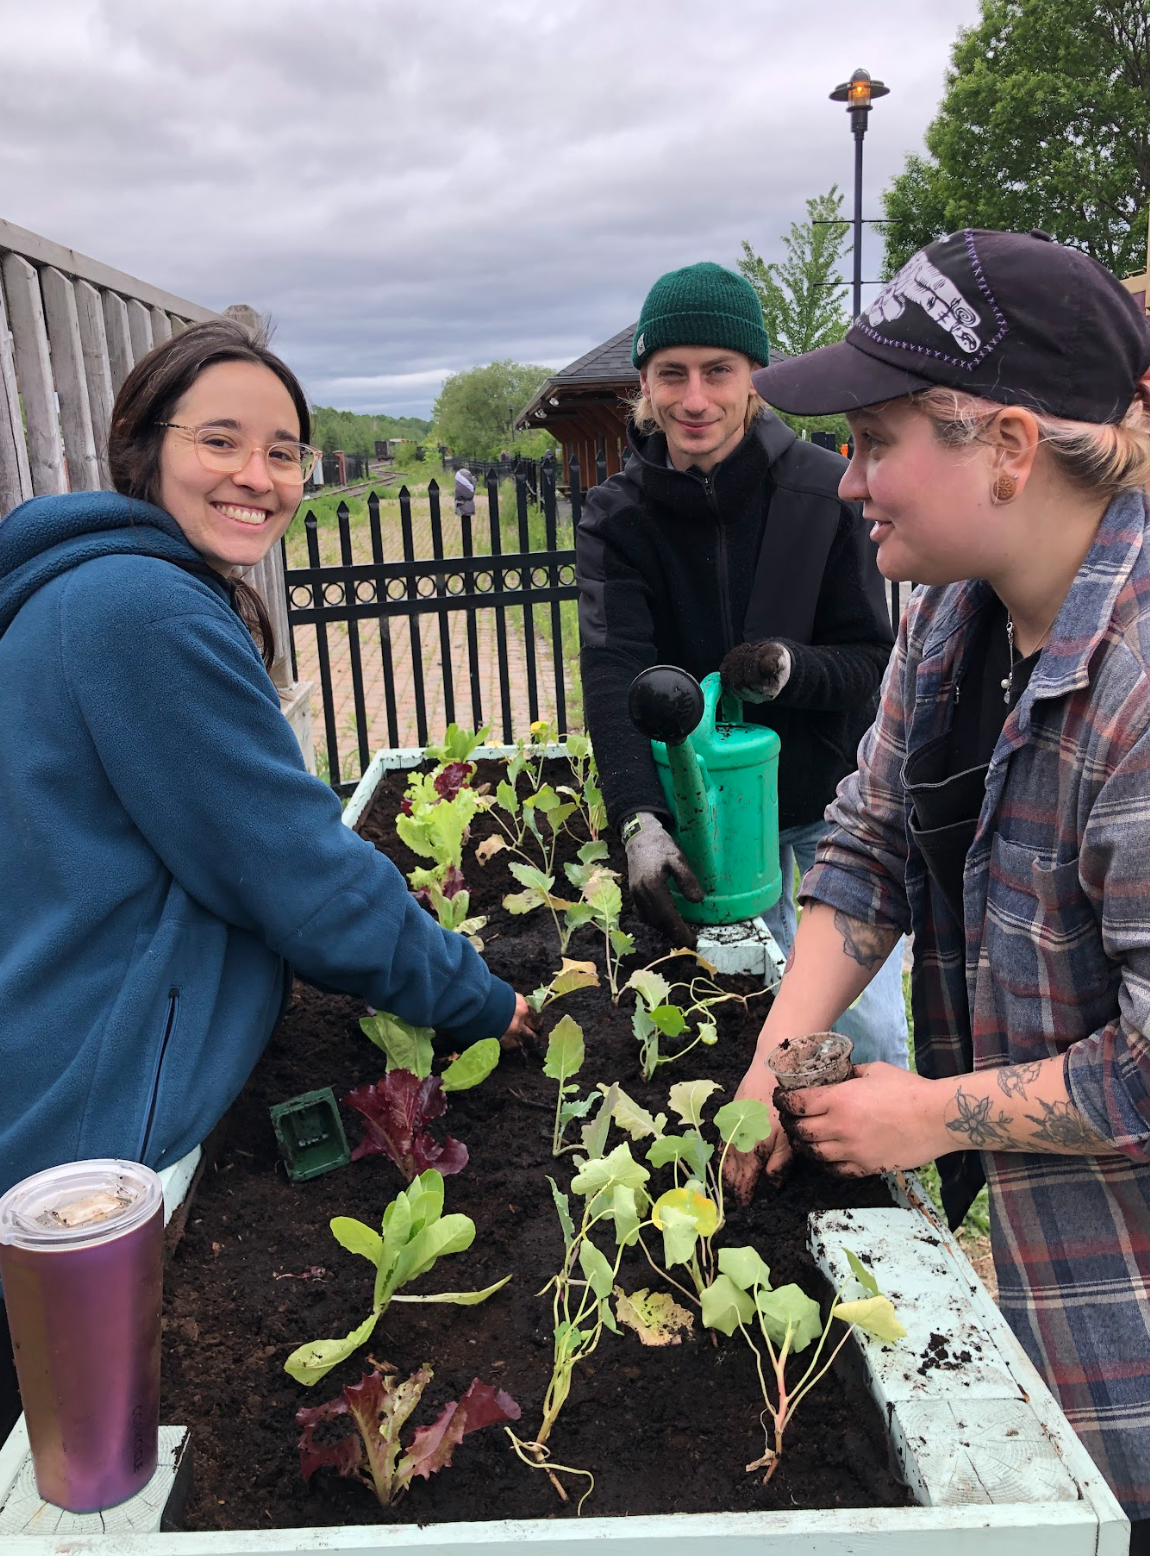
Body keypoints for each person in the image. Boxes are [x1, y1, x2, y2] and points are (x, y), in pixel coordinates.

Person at [724, 228, 1150, 1539]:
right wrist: (776, 1055)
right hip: (1037, 1250)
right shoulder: (950, 616)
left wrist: (934, 1115)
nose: (847, 483)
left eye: (872, 442)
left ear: (1007, 448)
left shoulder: (1136, 691)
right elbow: (864, 845)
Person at [0, 322, 533, 1297]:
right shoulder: (140, 610)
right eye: (219, 440)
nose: (258, 473)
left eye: (284, 451)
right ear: (144, 444)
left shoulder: (98, 589)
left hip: (54, 1063)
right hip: (91, 1131)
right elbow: (305, 884)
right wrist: (489, 1002)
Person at [576, 260, 908, 1067]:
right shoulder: (619, 516)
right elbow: (615, 671)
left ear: (754, 375)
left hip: (828, 793)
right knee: (744, 994)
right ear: (644, 386)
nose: (695, 399)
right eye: (671, 374)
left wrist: (788, 671)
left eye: (718, 370)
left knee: (862, 1022)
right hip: (707, 800)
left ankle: (885, 1151)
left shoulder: (828, 489)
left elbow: (870, 657)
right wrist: (641, 818)